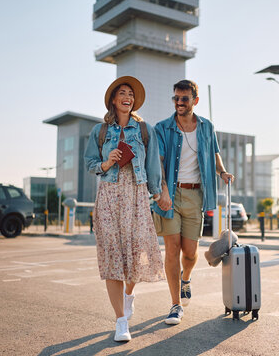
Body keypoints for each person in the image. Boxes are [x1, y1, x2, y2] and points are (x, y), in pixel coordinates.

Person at [84, 76, 166, 342]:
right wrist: (106, 163)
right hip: (108, 195)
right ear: (113, 100)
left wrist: (159, 191)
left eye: (130, 93)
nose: (127, 96)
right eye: (122, 92)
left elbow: (153, 163)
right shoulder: (100, 131)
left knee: (136, 253)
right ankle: (121, 321)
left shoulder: (145, 130)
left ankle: (129, 294)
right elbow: (90, 163)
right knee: (112, 257)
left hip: (136, 194)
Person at [152, 79, 234, 325]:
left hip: (196, 195)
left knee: (190, 253)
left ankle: (186, 278)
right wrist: (162, 192)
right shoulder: (163, 128)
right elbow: (158, 161)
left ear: (195, 101)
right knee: (172, 251)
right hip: (170, 195)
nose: (179, 102)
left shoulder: (207, 127)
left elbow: (214, 153)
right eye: (176, 98)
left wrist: (222, 172)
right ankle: (175, 304)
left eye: (184, 98)